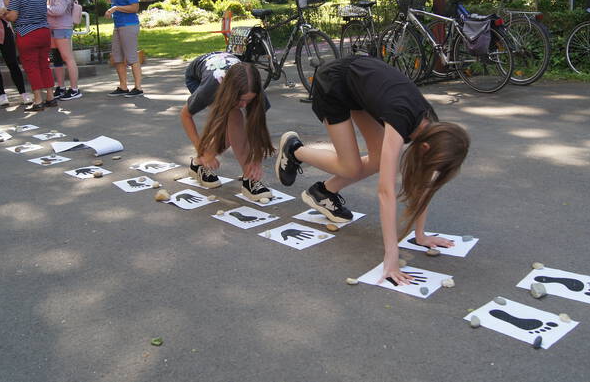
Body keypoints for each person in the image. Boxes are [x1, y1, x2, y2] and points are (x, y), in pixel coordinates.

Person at [275, 56, 470, 285]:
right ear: (425, 148)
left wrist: (421, 235)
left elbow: (425, 180)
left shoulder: (434, 130)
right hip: (335, 83)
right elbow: (385, 192)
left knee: (378, 160)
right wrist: (391, 256)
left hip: (360, 85)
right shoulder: (402, 120)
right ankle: (294, 150)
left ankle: (323, 193)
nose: (431, 171)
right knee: (350, 166)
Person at [180, 52, 274, 201]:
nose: (244, 105)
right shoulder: (210, 88)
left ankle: (198, 165)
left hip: (227, 77)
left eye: (249, 101)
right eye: (241, 100)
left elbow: (256, 127)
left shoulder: (255, 90)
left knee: (234, 127)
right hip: (197, 78)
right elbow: (185, 115)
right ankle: (203, 161)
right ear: (231, 92)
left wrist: (255, 160)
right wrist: (202, 151)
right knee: (235, 118)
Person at [0, 0, 56, 111]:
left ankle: (37, 100)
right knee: (44, 65)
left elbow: (13, 16)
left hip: (27, 33)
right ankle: (50, 97)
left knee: (32, 67)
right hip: (44, 32)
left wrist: (3, 13)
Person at [39, 0, 81, 101]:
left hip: (62, 27)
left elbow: (59, 9)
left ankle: (74, 89)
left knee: (67, 57)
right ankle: (61, 87)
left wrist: (42, 7)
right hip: (53, 28)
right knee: (57, 58)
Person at [104, 0, 142, 98]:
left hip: (129, 25)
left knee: (132, 57)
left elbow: (134, 7)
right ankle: (123, 86)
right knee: (117, 57)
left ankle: (138, 87)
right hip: (118, 25)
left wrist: (115, 8)